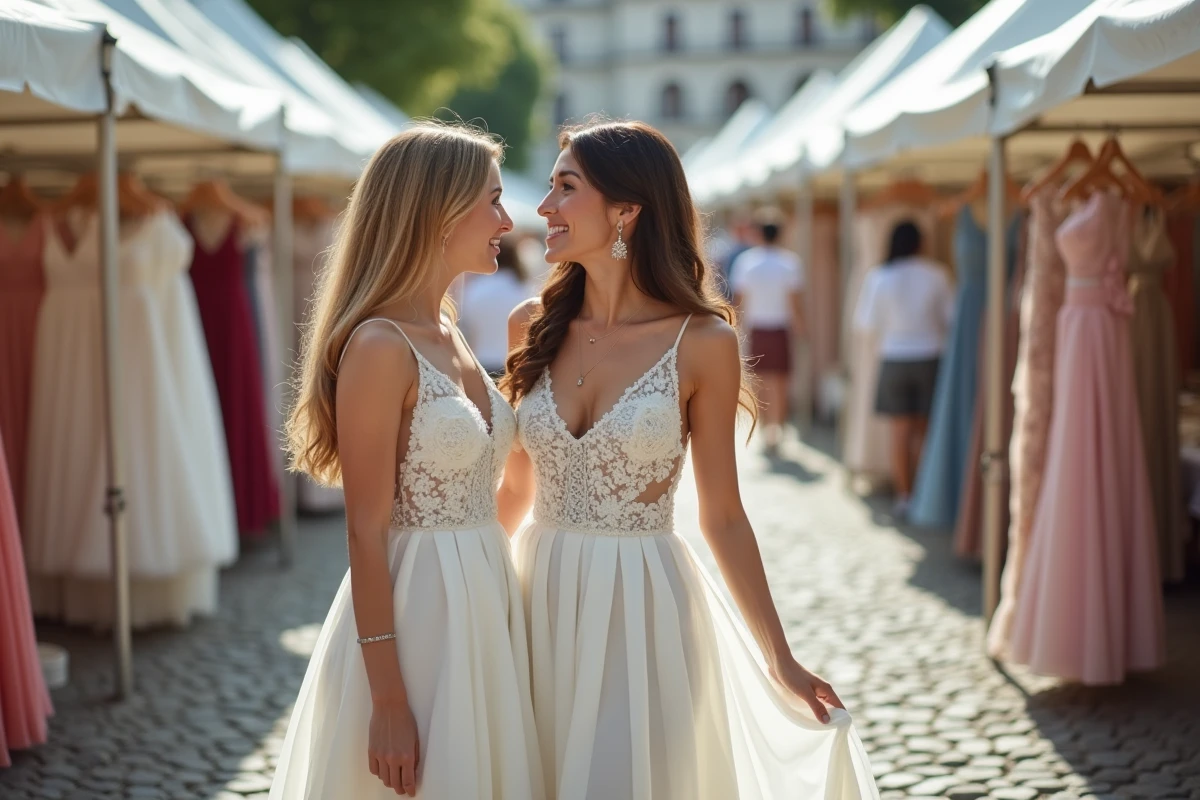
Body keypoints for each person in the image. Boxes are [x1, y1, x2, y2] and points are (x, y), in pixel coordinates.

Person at [497, 120, 878, 799]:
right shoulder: (530, 325)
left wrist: (780, 657)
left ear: (626, 211)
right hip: (536, 598)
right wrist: (456, 591)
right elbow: (514, 490)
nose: (545, 206)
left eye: (566, 188)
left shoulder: (703, 342)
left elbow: (723, 515)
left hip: (642, 607)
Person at [273, 123, 544, 800]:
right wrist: (388, 699)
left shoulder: (448, 329)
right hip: (418, 611)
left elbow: (499, 490)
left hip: (483, 601)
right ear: (436, 210)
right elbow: (365, 532)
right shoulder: (380, 346)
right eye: (493, 201)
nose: (506, 222)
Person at [853, 220, 954, 519]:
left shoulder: (879, 277)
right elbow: (951, 317)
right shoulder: (937, 274)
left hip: (894, 357)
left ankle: (904, 495)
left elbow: (865, 324)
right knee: (924, 431)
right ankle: (924, 495)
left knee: (899, 432)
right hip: (930, 356)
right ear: (921, 242)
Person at [729, 207, 806, 452]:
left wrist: (734, 330)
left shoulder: (747, 262)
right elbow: (795, 303)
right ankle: (777, 429)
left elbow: (739, 301)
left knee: (759, 380)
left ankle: (764, 429)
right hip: (780, 328)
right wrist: (802, 329)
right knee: (780, 381)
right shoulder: (790, 262)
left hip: (757, 328)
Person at [459, 238, 533, 376]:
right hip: (514, 364)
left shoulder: (474, 289)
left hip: (480, 362)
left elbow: (466, 327)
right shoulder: (523, 289)